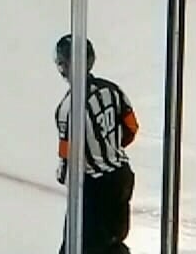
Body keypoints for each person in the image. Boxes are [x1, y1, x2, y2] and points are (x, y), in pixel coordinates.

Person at [53, 34, 138, 254]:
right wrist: (110, 150)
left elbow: (66, 161)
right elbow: (131, 128)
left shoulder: (67, 109)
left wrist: (65, 173)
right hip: (121, 177)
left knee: (77, 248)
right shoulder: (112, 90)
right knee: (113, 242)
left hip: (94, 189)